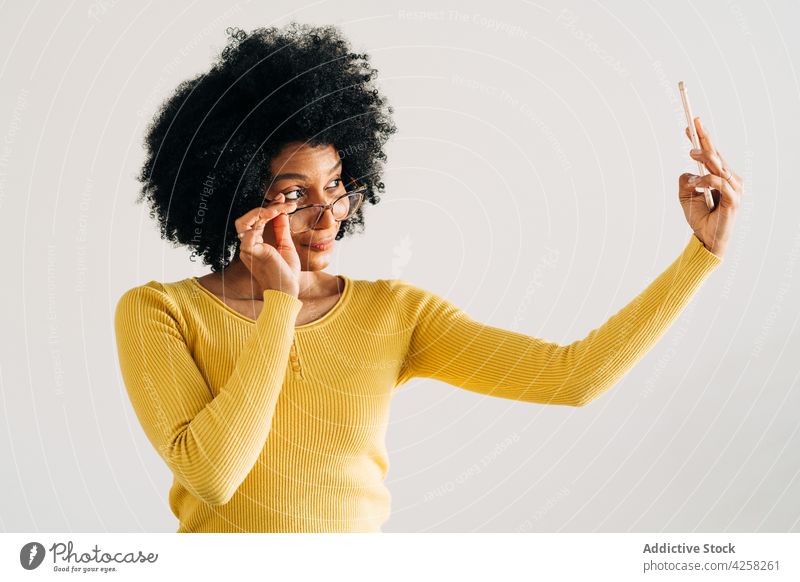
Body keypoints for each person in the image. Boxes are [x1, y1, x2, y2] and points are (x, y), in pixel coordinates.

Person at [114, 23, 742, 533]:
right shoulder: (159, 312)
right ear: (236, 196)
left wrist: (700, 255)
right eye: (294, 193)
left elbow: (574, 377)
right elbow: (215, 476)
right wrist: (281, 303)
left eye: (336, 187)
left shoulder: (395, 313)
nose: (326, 215)